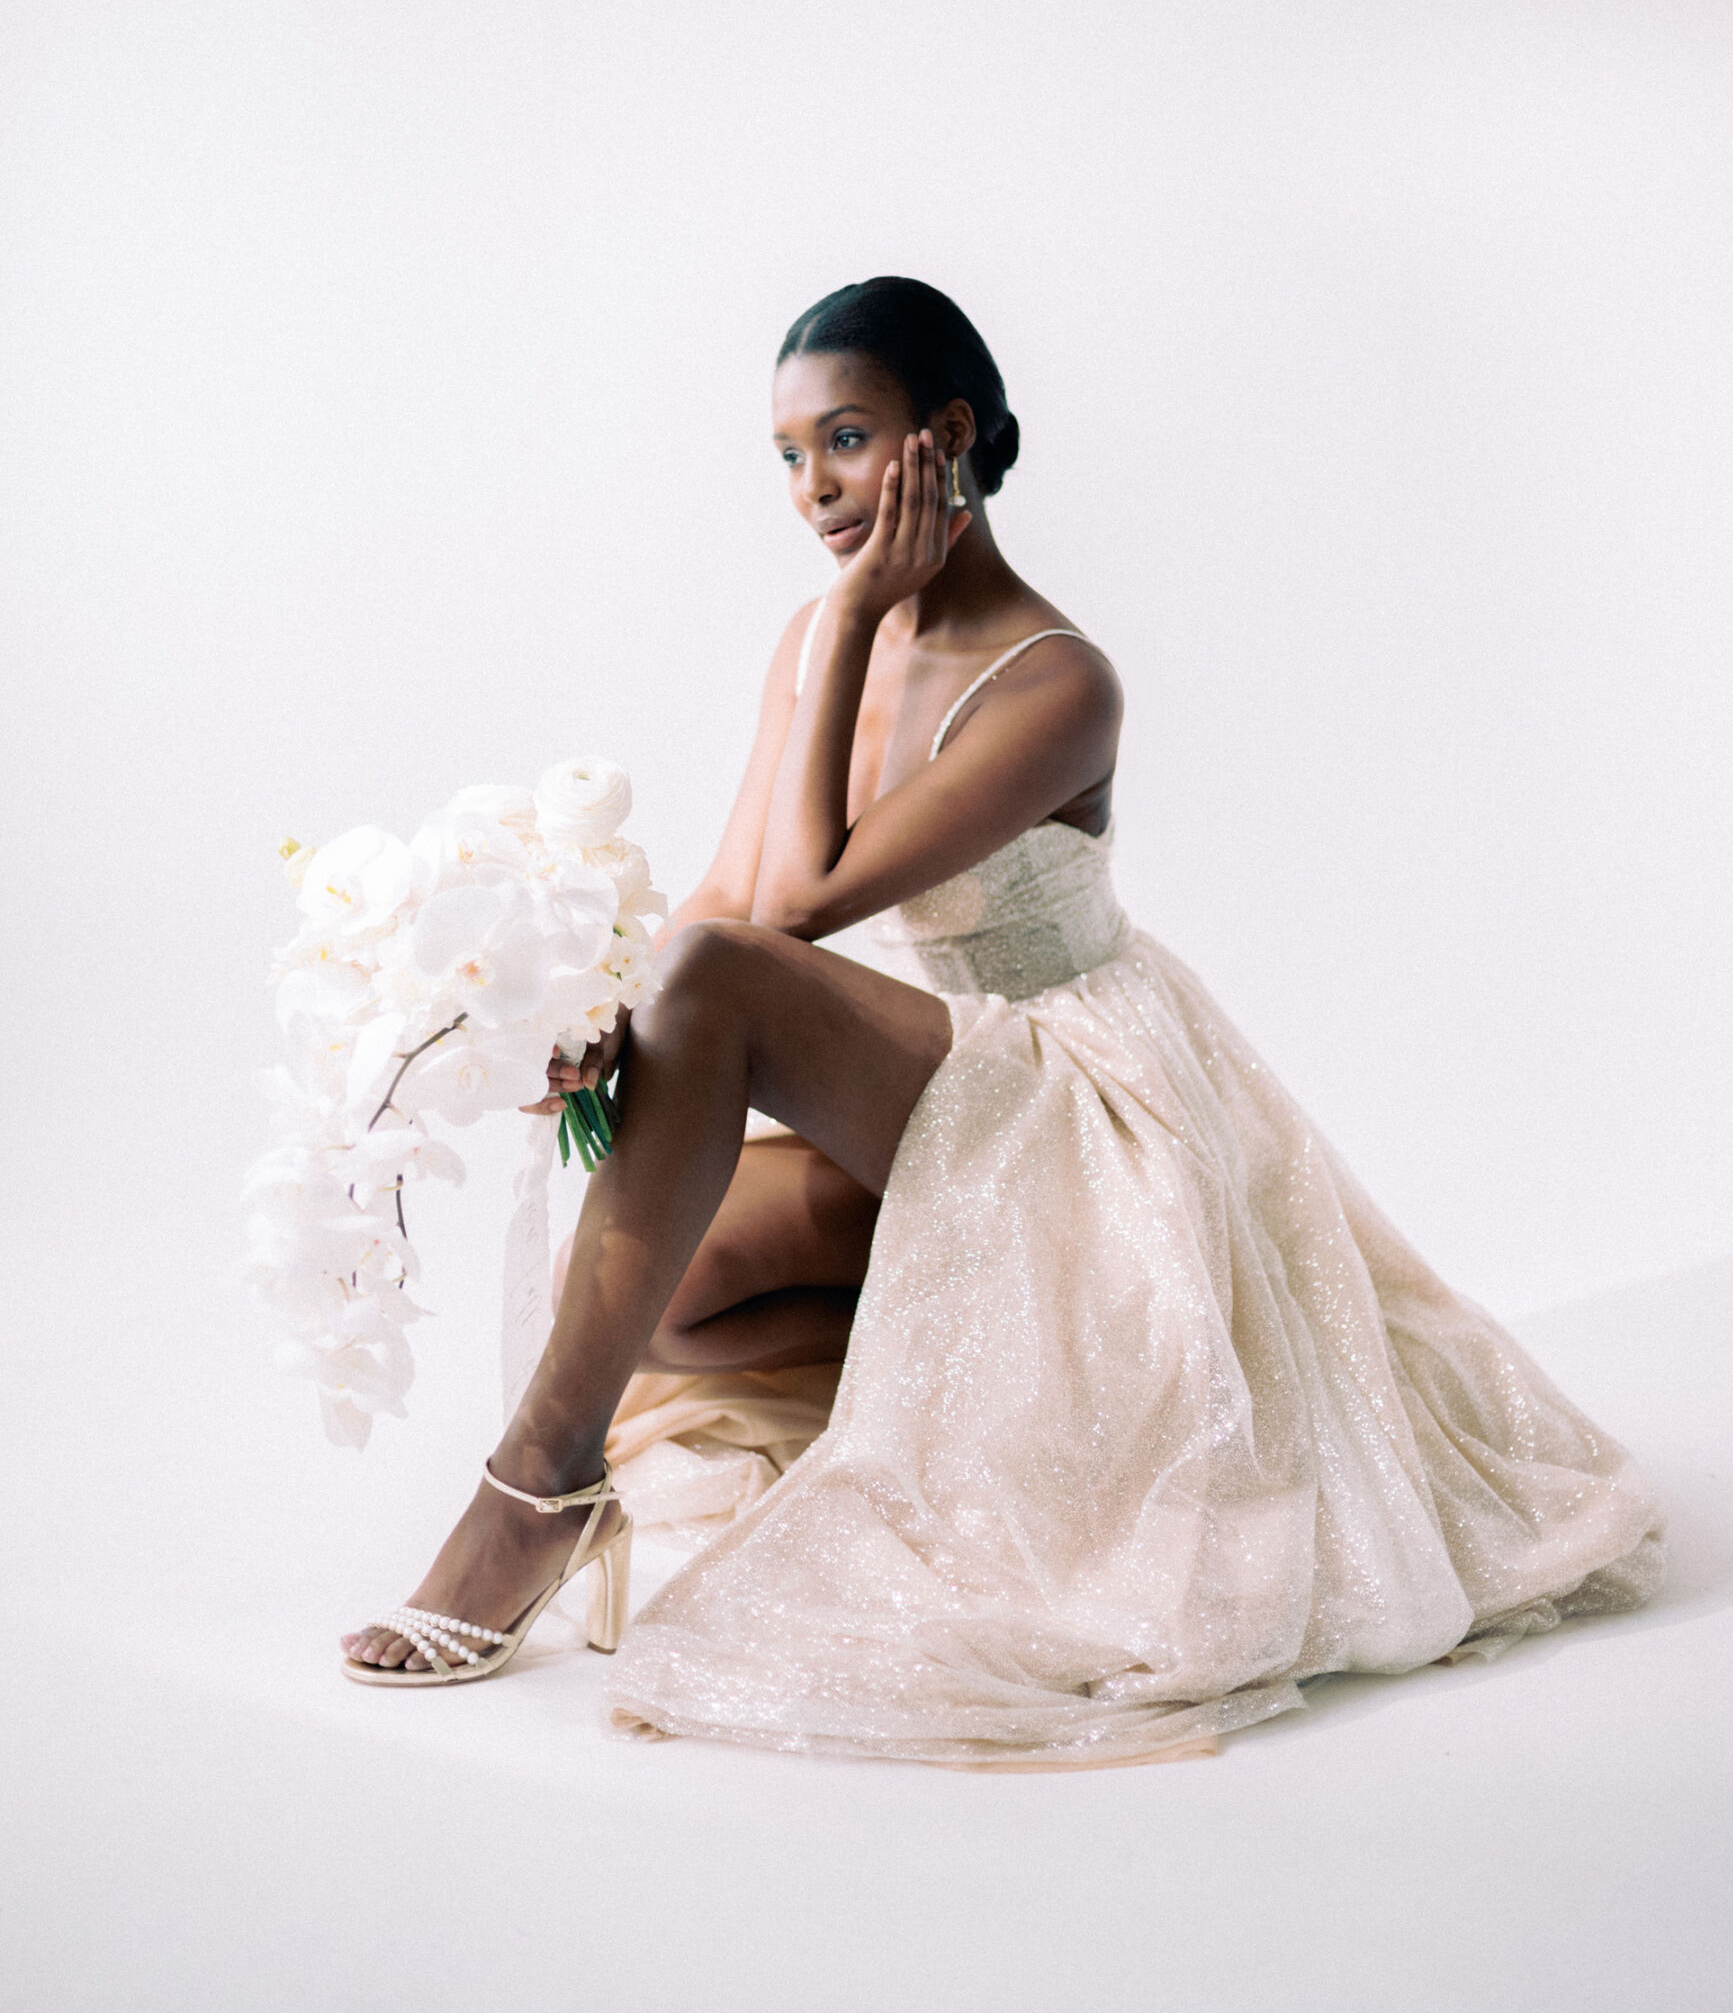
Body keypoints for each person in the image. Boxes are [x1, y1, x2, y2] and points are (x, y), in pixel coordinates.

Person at [342, 276, 1664, 1765]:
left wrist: (850, 617)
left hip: (1083, 1096)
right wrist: (583, 1019)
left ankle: (532, 1489)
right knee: (671, 1286)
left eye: (846, 438)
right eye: (788, 455)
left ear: (946, 436)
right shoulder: (811, 640)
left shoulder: (1060, 683)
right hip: (947, 1084)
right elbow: (723, 894)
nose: (814, 489)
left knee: (706, 1006)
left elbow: (796, 908)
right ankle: (976, 1384)